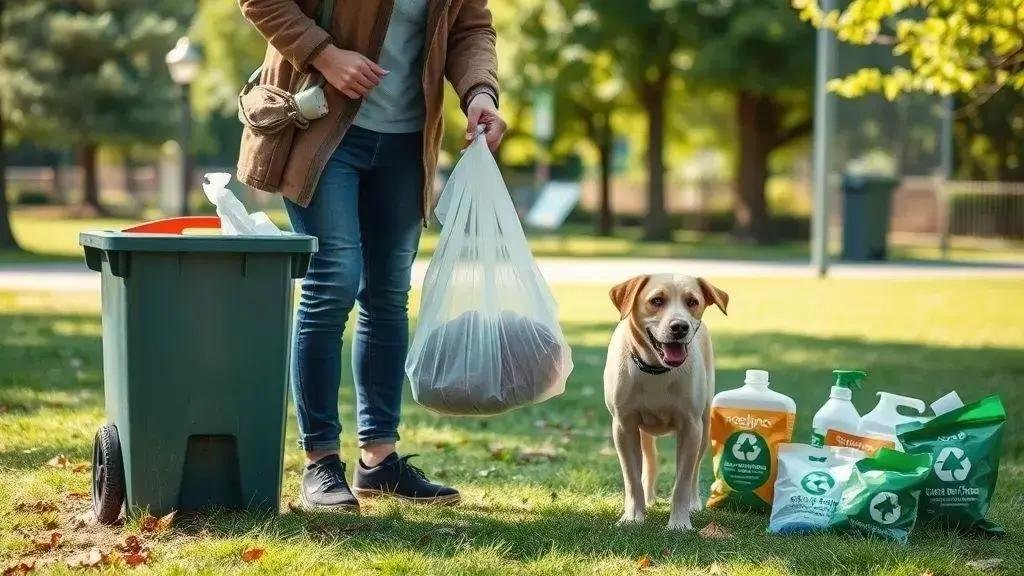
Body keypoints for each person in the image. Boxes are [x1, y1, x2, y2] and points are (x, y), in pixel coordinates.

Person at [237, 0, 505, 511]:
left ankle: (378, 460)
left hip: (407, 142)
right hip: (321, 128)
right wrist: (324, 53)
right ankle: (319, 461)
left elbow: (471, 26)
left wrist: (480, 92)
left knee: (387, 293)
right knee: (334, 279)